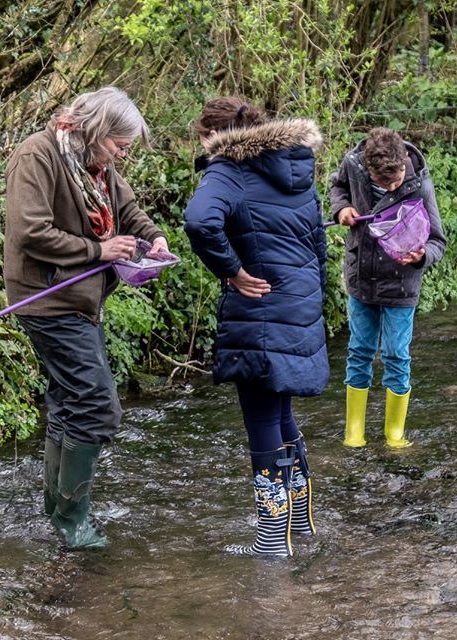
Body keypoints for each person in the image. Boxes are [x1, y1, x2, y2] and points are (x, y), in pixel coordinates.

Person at [3, 87, 168, 550]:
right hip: (45, 298)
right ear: (95, 130)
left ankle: (58, 511)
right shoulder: (37, 155)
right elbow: (30, 230)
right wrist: (98, 250)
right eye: (120, 143)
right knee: (97, 407)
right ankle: (73, 523)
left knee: (69, 402)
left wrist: (152, 238)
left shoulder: (98, 165)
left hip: (81, 299)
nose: (123, 152)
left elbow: (128, 210)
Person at [183, 97, 329, 557]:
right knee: (282, 415)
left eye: (200, 138)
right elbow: (318, 243)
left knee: (263, 421)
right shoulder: (293, 164)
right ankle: (300, 524)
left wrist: (230, 271)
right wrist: (307, 298)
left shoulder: (227, 170)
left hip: (260, 309)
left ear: (212, 136)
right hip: (298, 307)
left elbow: (199, 221)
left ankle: (271, 542)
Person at [329, 127, 446, 448]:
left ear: (404, 163)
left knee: (396, 354)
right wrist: (341, 209)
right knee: (359, 351)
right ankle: (355, 431)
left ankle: (394, 434)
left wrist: (422, 256)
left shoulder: (419, 183)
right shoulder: (352, 166)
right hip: (361, 278)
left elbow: (438, 241)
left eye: (396, 181)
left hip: (401, 285)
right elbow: (337, 187)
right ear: (369, 170)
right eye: (385, 184)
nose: (393, 186)